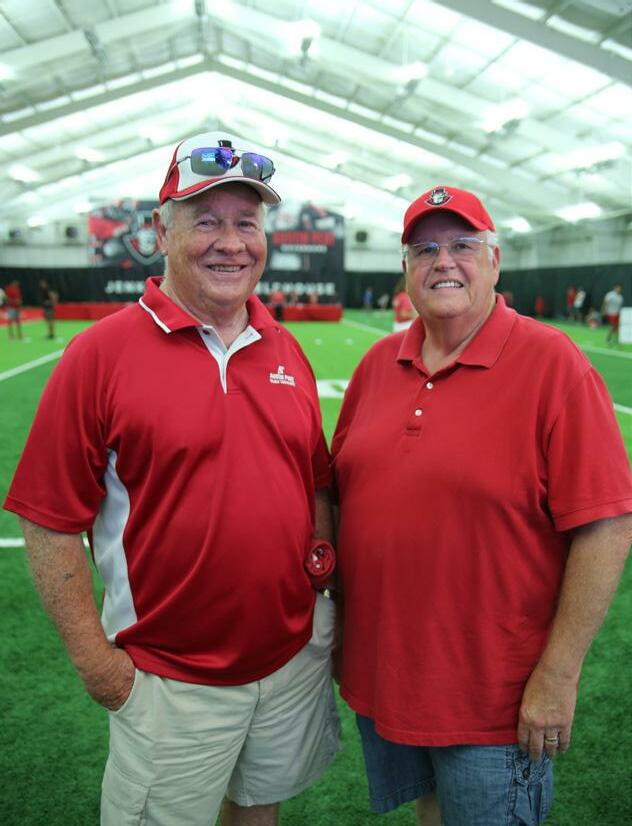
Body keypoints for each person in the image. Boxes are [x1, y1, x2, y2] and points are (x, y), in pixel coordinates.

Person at [4, 131, 340, 826]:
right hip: (169, 682)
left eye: (247, 222)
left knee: (259, 811)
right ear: (162, 231)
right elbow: (46, 518)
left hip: (288, 663)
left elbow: (314, 482)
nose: (231, 243)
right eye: (206, 221)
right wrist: (97, 663)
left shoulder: (286, 349)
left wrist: (322, 596)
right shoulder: (99, 355)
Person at [331, 185, 632, 826]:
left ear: (495, 261)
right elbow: (343, 493)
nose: (444, 261)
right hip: (390, 674)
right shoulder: (378, 365)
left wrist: (559, 674)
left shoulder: (553, 364)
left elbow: (607, 525)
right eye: (425, 249)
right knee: (432, 812)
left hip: (495, 694)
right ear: (406, 270)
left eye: (463, 245)